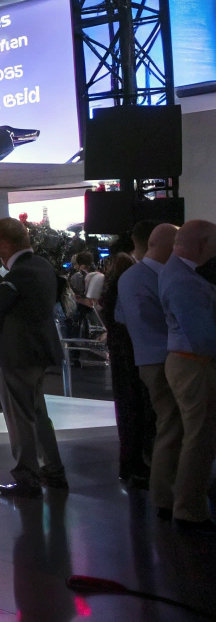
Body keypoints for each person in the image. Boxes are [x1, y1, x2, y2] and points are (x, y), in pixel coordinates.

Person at [0, 217, 67, 497]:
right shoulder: (43, 266)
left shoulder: (17, 274)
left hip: (17, 355)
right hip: (40, 352)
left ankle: (27, 477)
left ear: (2, 244)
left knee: (20, 418)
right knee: (38, 414)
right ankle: (53, 470)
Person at [156, 219, 216, 534]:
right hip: (193, 364)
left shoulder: (182, 274)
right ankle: (189, 511)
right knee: (200, 438)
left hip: (190, 363)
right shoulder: (183, 280)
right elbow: (203, 336)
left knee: (197, 436)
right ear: (202, 244)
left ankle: (183, 504)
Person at [116, 222, 178, 512]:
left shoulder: (129, 277)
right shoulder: (162, 277)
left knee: (166, 423)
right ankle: (169, 492)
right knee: (172, 425)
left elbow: (120, 317)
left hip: (147, 358)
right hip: (166, 359)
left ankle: (168, 490)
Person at [98, 251, 154, 488]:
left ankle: (129, 463)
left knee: (126, 408)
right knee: (139, 408)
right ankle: (138, 463)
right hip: (134, 353)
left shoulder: (110, 291)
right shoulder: (128, 288)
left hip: (120, 353)